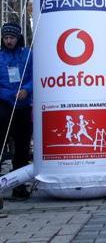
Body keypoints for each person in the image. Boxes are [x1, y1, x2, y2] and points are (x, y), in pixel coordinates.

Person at [0, 23, 33, 200]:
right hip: (5, 105)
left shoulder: (27, 54)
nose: (9, 41)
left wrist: (27, 89)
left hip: (23, 106)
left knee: (22, 147)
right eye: (6, 38)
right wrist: (9, 95)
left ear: (18, 38)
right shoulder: (0, 57)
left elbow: (36, 75)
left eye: (12, 38)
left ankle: (18, 185)